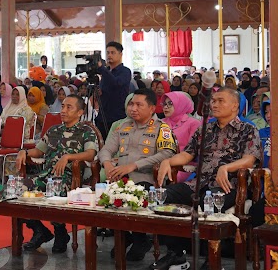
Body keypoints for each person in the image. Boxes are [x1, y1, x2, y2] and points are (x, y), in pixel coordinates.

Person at [154, 88, 262, 270]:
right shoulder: (205, 128)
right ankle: (176, 254)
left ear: (235, 105)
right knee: (165, 196)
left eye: (220, 101)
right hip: (198, 183)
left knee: (208, 202)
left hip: (228, 185)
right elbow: (188, 154)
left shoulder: (248, 129)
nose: (214, 104)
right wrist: (168, 161)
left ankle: (212, 260)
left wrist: (226, 167)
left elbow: (250, 159)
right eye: (213, 101)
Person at [98, 88, 177, 261]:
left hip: (146, 180)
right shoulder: (123, 126)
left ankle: (139, 239)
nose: (133, 108)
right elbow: (106, 149)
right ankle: (125, 236)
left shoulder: (162, 128)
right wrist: (107, 163)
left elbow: (168, 153)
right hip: (119, 179)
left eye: (139, 105)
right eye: (131, 104)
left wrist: (134, 165)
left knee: (134, 194)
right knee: (102, 196)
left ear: (151, 108)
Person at [15, 95, 98, 253]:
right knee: (19, 190)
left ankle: (60, 233)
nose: (63, 110)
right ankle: (39, 230)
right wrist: (24, 152)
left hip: (69, 177)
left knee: (55, 191)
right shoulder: (54, 130)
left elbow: (90, 154)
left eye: (69, 107)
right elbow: (38, 151)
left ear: (80, 112)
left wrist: (68, 157)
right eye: (62, 106)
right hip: (46, 175)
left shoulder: (85, 131)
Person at [161, 92, 201, 182]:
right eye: (164, 104)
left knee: (170, 177)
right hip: (161, 161)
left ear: (181, 105)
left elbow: (193, 150)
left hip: (185, 165)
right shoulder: (161, 123)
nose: (166, 107)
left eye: (170, 103)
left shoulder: (193, 123)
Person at [96, 41, 132, 140]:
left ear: (120, 54)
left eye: (113, 52)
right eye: (107, 52)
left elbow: (116, 83)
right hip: (103, 115)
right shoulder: (106, 71)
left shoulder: (125, 71)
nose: (109, 55)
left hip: (117, 116)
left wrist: (102, 69)